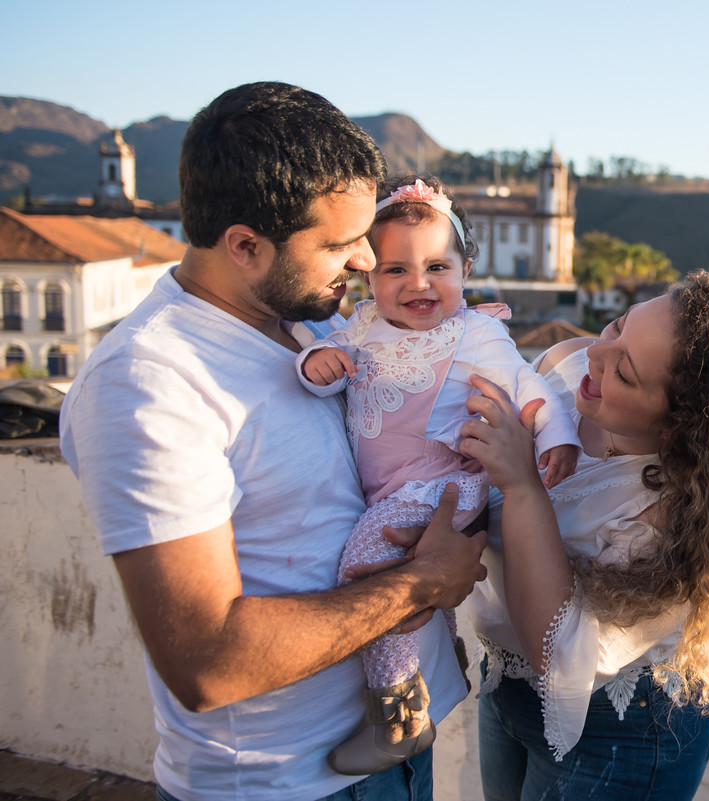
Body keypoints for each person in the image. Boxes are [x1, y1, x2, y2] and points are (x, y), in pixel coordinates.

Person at [59, 82, 487, 801]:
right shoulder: (148, 385)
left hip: (398, 742)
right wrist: (423, 584)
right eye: (340, 243)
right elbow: (206, 662)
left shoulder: (312, 323)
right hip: (286, 783)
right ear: (246, 245)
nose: (363, 261)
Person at [457, 271, 709, 801]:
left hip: (620, 733)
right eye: (615, 327)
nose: (596, 356)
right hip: (505, 686)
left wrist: (523, 486)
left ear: (677, 428)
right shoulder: (563, 370)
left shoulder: (683, 513)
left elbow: (562, 658)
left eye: (624, 373)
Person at [296, 174, 579, 774]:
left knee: (368, 564)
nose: (418, 284)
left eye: (436, 267)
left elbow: (528, 386)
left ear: (465, 267)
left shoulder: (475, 332)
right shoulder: (363, 325)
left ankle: (397, 717)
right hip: (389, 489)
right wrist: (314, 364)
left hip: (441, 485)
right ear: (368, 274)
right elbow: (323, 359)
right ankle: (440, 658)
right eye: (395, 270)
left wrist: (558, 435)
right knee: (415, 575)